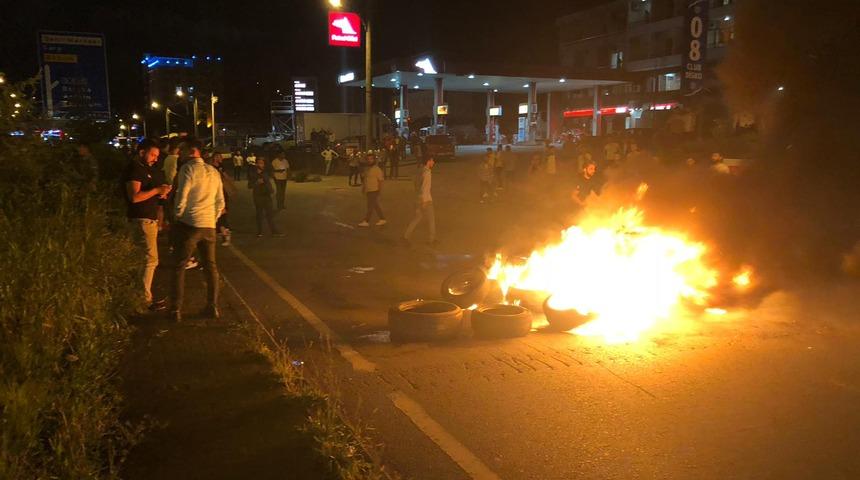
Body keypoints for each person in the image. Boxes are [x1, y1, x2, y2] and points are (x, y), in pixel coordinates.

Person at [170, 139, 224, 322]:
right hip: (209, 226)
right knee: (210, 267)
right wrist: (212, 218)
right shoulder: (214, 172)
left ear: (191, 151)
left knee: (179, 266)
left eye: (183, 150)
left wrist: (177, 215)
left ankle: (176, 309)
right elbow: (220, 202)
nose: (181, 154)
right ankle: (213, 306)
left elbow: (181, 196)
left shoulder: (187, 169)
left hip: (189, 224)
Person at [124, 139, 172, 311]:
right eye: (152, 154)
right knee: (151, 260)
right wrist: (157, 191)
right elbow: (135, 197)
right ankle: (144, 299)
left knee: (144, 259)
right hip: (141, 219)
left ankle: (138, 295)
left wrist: (161, 193)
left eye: (157, 156)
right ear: (142, 152)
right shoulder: (135, 169)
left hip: (147, 218)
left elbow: (149, 194)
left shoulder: (146, 169)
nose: (155, 159)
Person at [403, 156, 436, 245]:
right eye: (432, 160)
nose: (433, 162)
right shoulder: (427, 173)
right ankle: (431, 240)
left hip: (418, 198)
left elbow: (416, 184)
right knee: (431, 220)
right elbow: (425, 188)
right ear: (428, 161)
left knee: (417, 218)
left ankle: (406, 236)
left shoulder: (420, 171)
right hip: (426, 199)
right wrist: (424, 201)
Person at [247, 155, 282, 237]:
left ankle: (274, 231)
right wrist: (256, 182)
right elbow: (249, 185)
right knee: (259, 214)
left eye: (262, 163)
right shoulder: (252, 173)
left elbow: (268, 182)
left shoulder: (265, 172)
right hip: (258, 196)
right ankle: (259, 231)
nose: (261, 165)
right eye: (259, 163)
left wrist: (271, 190)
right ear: (256, 164)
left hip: (267, 195)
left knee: (270, 214)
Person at [209, 153, 237, 246]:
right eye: (219, 157)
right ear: (215, 158)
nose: (221, 159)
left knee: (222, 214)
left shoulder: (220, 167)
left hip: (221, 193)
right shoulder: (211, 168)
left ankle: (226, 233)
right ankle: (222, 233)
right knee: (216, 216)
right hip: (215, 192)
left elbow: (226, 177)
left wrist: (232, 187)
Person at [358, 153, 386, 227]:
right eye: (368, 159)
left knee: (370, 206)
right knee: (375, 205)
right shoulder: (367, 169)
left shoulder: (377, 169)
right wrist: (364, 188)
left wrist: (379, 191)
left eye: (371, 159)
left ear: (374, 160)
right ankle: (382, 219)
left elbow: (380, 181)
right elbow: (365, 179)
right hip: (369, 190)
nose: (370, 160)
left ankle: (366, 221)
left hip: (374, 190)